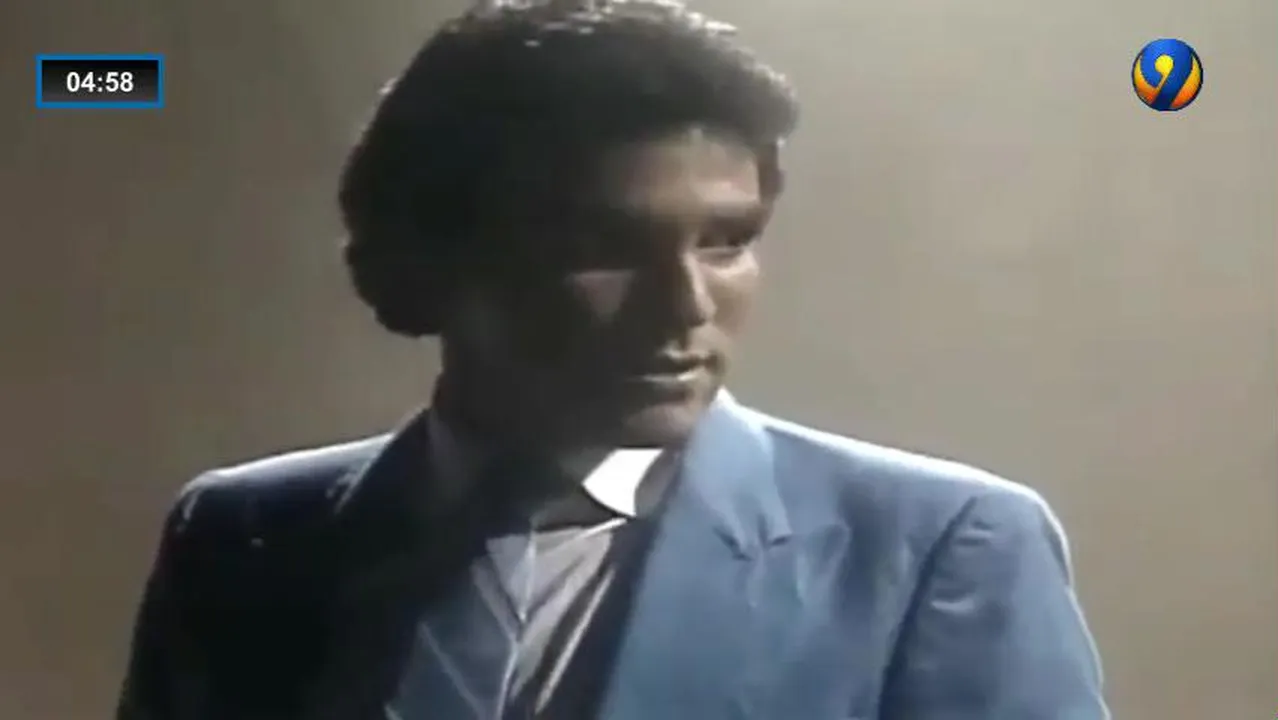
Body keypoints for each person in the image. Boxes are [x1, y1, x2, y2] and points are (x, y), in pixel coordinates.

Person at [115, 2, 1109, 718]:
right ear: (426, 259)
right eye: (605, 248)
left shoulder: (933, 551)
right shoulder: (245, 539)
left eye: (727, 241)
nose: (686, 305)